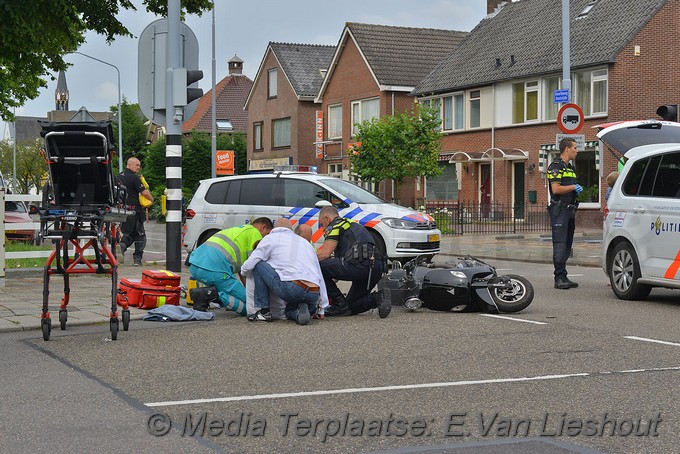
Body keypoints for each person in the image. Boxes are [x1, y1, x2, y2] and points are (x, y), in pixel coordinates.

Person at [241, 218, 328, 324]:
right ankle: (299, 313)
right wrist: (322, 307)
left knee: (258, 264)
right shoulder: (306, 243)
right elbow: (319, 274)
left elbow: (251, 263)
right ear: (291, 229)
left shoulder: (270, 238)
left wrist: (244, 272)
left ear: (274, 229)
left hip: (292, 289)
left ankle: (263, 312)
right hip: (313, 291)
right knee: (289, 310)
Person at [188, 218, 273, 315]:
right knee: (252, 308)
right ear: (263, 228)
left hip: (195, 266)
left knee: (243, 297)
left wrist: (246, 290)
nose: (266, 239)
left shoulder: (238, 231)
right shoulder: (255, 234)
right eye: (268, 234)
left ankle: (208, 293)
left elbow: (243, 271)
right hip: (215, 271)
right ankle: (210, 294)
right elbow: (254, 267)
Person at [316, 206, 390, 318]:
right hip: (375, 268)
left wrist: (305, 261)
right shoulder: (353, 224)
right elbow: (336, 270)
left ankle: (339, 304)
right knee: (350, 306)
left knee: (318, 266)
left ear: (327, 218)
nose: (323, 229)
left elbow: (325, 253)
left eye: (322, 224)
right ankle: (378, 298)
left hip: (359, 264)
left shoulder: (336, 225)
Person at [547, 138, 582, 290]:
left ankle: (564, 275)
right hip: (559, 210)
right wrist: (573, 186)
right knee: (560, 243)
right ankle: (558, 277)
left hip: (570, 210)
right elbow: (556, 189)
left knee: (567, 244)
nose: (577, 150)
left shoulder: (571, 168)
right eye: (575, 147)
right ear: (566, 149)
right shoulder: (556, 167)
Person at [117, 157, 153, 266]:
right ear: (130, 164)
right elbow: (144, 192)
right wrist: (152, 199)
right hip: (135, 210)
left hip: (123, 210)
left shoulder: (118, 177)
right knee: (140, 235)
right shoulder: (134, 177)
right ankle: (137, 259)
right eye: (137, 165)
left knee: (128, 232)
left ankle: (122, 247)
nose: (138, 167)